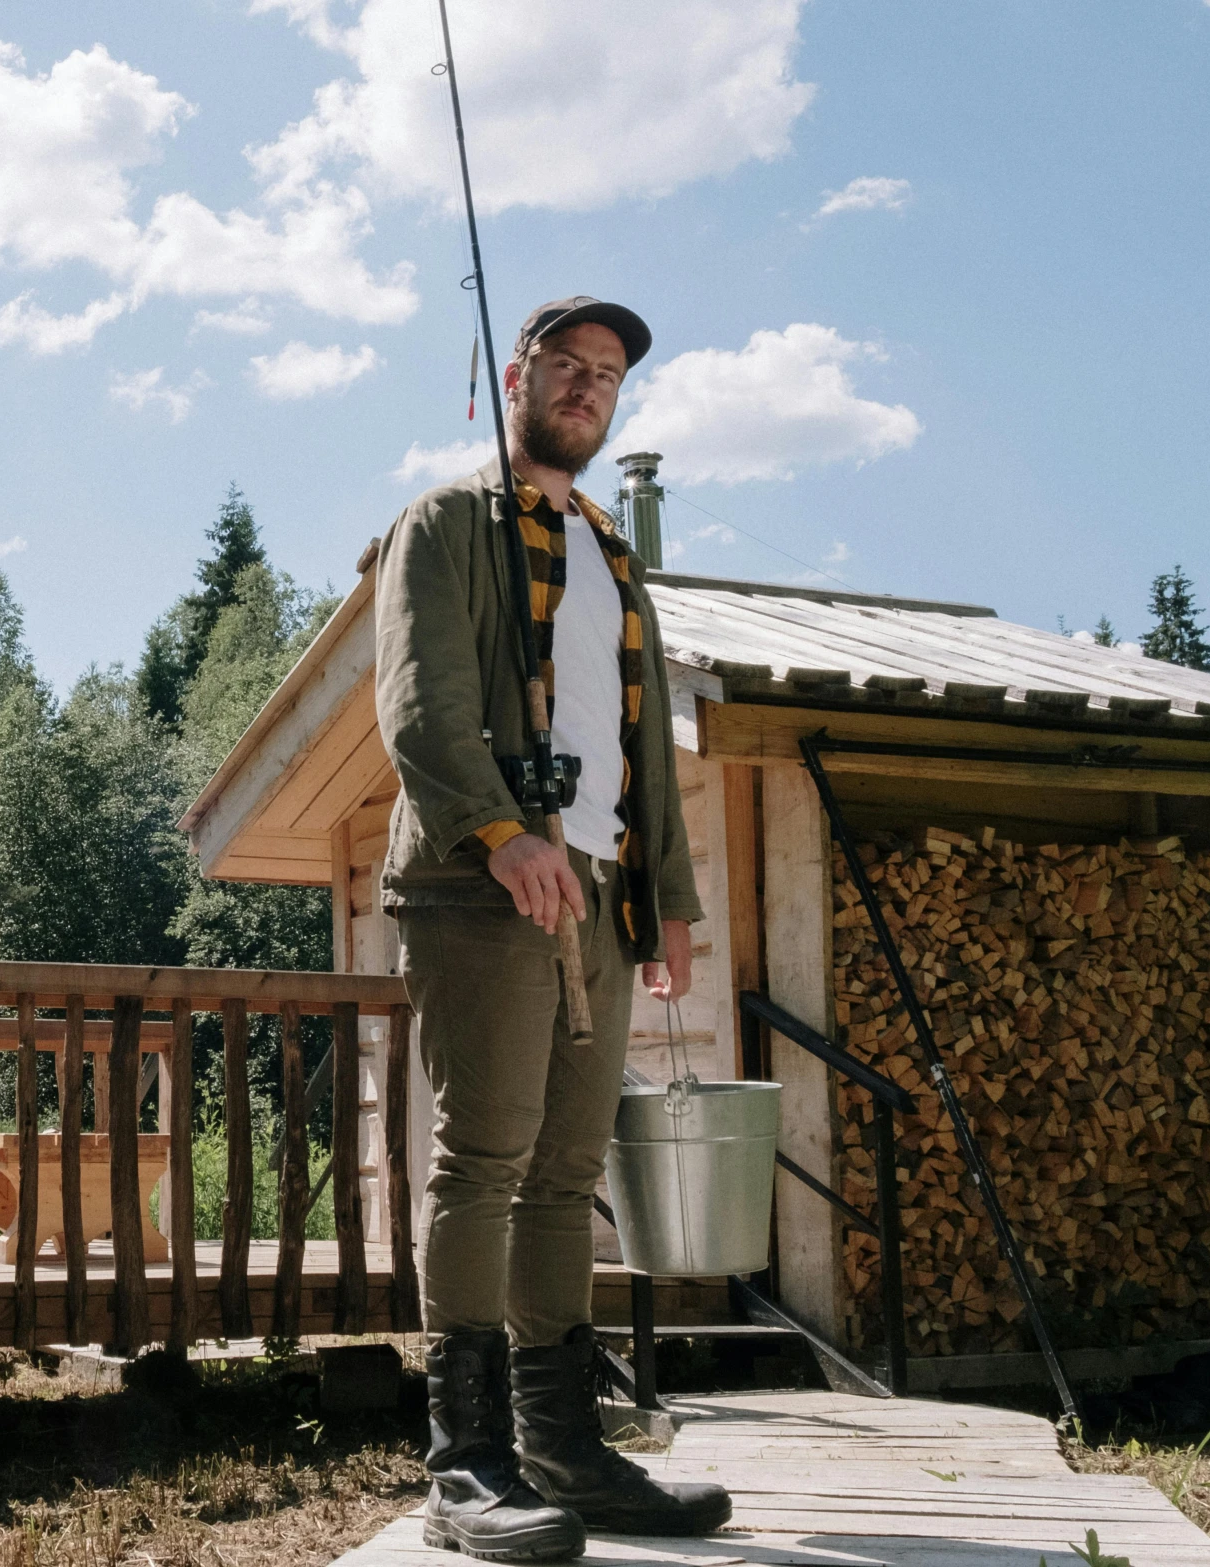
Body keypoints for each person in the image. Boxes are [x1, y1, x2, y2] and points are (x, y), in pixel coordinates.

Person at [373, 297, 731, 1560]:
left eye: (608, 377)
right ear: (515, 377)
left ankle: (563, 1451)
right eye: (566, 367)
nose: (587, 389)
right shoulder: (447, 523)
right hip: (481, 884)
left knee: (568, 1177)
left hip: (597, 890)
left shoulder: (609, 555)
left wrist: (667, 900)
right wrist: (500, 831)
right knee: (483, 1160)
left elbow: (643, 752)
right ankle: (461, 1467)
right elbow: (421, 704)